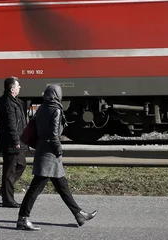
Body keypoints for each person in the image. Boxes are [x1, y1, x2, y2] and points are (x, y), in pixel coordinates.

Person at [16, 84, 97, 230]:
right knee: (35, 188)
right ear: (57, 95)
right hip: (50, 155)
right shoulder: (56, 110)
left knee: (62, 186)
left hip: (42, 150)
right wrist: (59, 150)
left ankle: (79, 214)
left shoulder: (41, 108)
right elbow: (54, 135)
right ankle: (23, 218)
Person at [0, 76, 28, 208]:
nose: (20, 87)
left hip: (15, 140)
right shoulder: (8, 103)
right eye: (18, 85)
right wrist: (16, 140)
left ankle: (5, 190)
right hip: (11, 142)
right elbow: (11, 124)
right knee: (9, 170)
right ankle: (8, 199)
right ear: (12, 89)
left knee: (21, 164)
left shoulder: (14, 101)